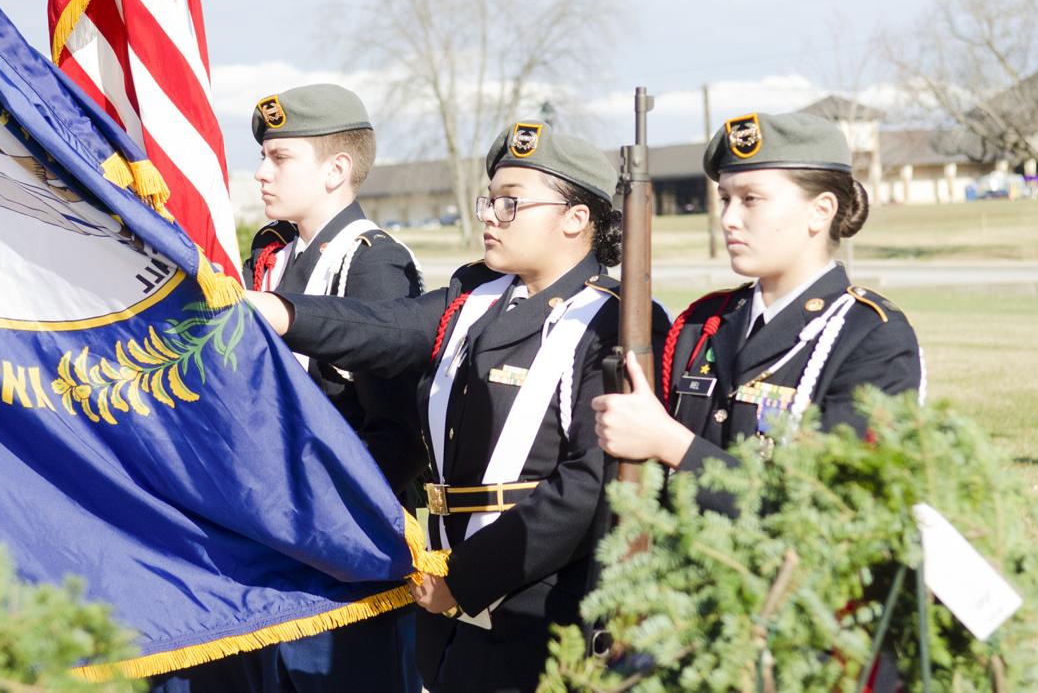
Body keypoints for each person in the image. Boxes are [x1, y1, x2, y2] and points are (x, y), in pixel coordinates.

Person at [247, 119, 668, 692]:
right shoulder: (476, 298)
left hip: (538, 601)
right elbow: (386, 326)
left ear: (576, 219)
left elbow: (586, 484)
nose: (490, 215)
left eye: (511, 203)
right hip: (445, 590)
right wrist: (283, 313)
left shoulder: (615, 319)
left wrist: (465, 579)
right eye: (489, 200)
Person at [152, 85, 425, 692]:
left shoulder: (372, 262)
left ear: (337, 170)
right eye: (263, 157)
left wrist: (316, 514)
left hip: (338, 549)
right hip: (268, 542)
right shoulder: (272, 254)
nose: (260, 174)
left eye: (281, 158)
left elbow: (397, 432)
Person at [592, 111, 924, 514]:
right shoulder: (702, 323)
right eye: (725, 199)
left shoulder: (868, 335)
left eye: (751, 199)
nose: (729, 219)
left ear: (820, 210)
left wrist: (669, 442)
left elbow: (836, 508)